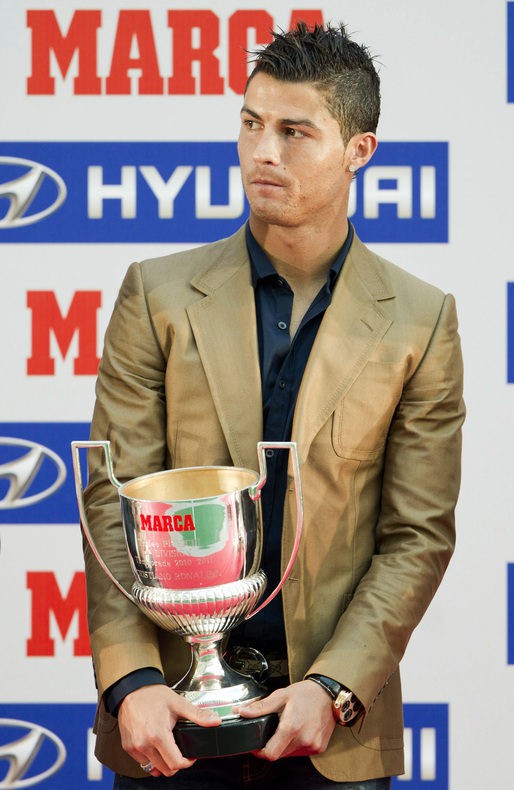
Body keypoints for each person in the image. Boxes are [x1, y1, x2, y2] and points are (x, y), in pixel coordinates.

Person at [80, 22, 464, 788]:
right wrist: (129, 681)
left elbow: (415, 535)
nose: (263, 152)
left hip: (327, 730)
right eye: (252, 124)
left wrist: (336, 686)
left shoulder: (421, 321)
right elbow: (109, 501)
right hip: (168, 723)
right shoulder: (156, 295)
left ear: (360, 150)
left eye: (295, 132)